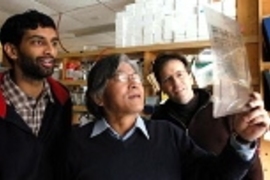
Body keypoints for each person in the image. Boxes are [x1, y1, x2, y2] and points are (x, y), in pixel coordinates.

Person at [66, 54, 269, 180]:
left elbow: (215, 175)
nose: (135, 83)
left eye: (136, 76)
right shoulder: (75, 143)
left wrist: (243, 139)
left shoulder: (167, 134)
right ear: (99, 97)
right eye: (122, 77)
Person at [151, 52, 264, 179]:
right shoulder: (158, 121)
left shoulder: (222, 107)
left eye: (180, 74)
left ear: (190, 77)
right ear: (161, 87)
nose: (176, 83)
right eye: (167, 79)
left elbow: (251, 160)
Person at [0, 10, 72, 180]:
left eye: (54, 43)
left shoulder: (62, 98)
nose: (50, 51)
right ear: (12, 51)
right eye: (38, 42)